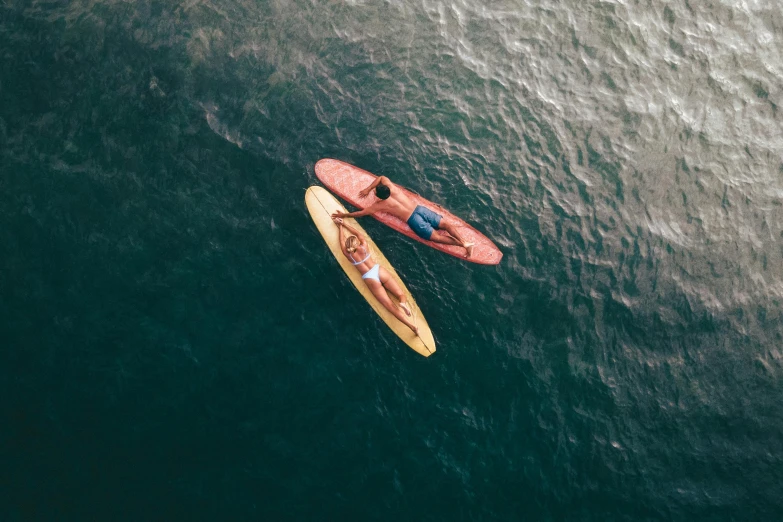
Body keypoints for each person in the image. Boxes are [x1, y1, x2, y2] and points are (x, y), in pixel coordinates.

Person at [331, 175, 474, 258]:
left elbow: (361, 213)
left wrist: (344, 215)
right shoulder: (392, 188)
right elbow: (381, 177)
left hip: (414, 220)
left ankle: (463, 245)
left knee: (437, 237)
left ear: (377, 195)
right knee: (446, 225)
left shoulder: (380, 205)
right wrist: (369, 188)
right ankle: (464, 241)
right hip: (420, 210)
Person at [332, 216, 419, 335]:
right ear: (357, 242)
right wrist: (344, 224)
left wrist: (339, 227)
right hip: (378, 270)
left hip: (369, 278)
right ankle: (402, 303)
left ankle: (412, 327)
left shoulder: (348, 254)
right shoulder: (363, 246)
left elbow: (341, 241)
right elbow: (358, 233)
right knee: (400, 294)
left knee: (389, 305)